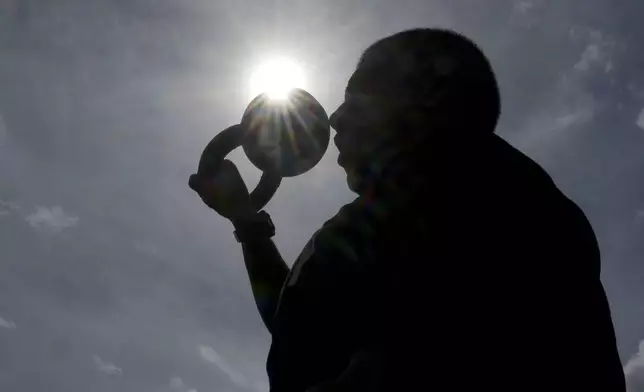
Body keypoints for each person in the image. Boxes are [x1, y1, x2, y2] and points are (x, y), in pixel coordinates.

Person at [189, 28, 626, 392]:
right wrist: (247, 223)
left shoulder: (492, 203)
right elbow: (304, 332)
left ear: (423, 101)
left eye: (355, 101)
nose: (336, 119)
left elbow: (411, 364)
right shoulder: (390, 216)